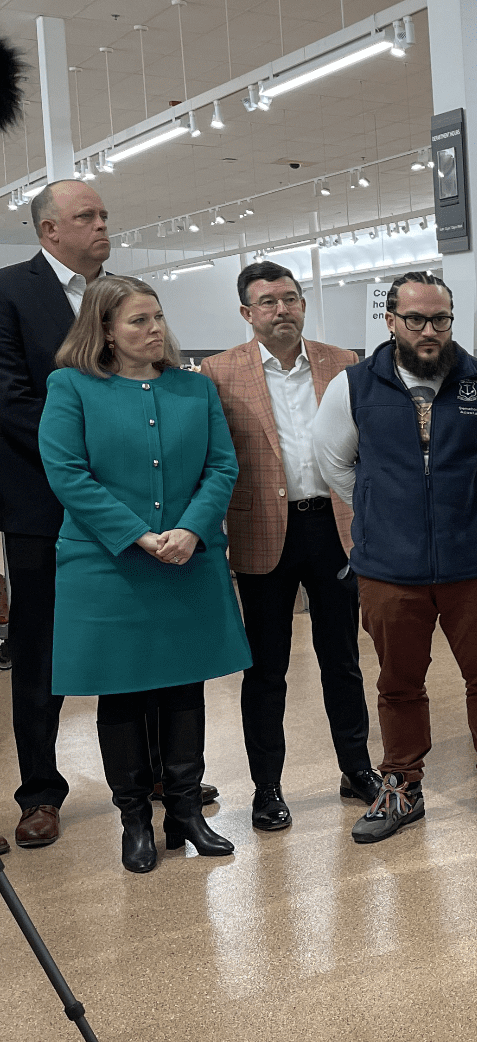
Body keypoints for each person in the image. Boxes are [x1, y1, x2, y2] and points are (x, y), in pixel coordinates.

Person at [312, 271, 477, 844]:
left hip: (474, 565)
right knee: (398, 683)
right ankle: (401, 784)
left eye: (440, 319)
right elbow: (334, 464)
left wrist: (464, 506)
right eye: (415, 319)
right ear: (390, 322)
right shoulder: (353, 387)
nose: (429, 331)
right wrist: (384, 507)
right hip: (390, 571)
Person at [38, 277, 250, 873]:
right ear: (104, 329)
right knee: (124, 692)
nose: (154, 329)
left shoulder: (193, 388)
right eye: (138, 321)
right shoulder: (72, 387)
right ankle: (134, 819)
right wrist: (136, 533)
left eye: (157, 317)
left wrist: (191, 529)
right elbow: (67, 472)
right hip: (108, 565)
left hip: (188, 558)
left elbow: (220, 465)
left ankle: (185, 810)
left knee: (186, 688)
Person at [200, 261, 380, 832]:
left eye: (290, 298)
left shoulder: (345, 363)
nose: (282, 309)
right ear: (246, 313)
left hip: (334, 527)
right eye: (268, 301)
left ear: (303, 303)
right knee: (266, 669)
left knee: (343, 661)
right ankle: (266, 788)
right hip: (262, 533)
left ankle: (357, 769)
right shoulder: (219, 372)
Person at [0, 180, 111, 851]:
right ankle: (40, 792)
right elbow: (10, 399)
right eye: (86, 217)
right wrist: (90, 456)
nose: (102, 225)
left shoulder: (121, 293)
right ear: (49, 231)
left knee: (131, 633)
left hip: (127, 504)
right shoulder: (10, 291)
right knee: (40, 650)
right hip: (43, 504)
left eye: (103, 215)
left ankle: (155, 771)